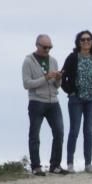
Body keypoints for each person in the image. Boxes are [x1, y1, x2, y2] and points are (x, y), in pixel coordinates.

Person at [22, 34, 67, 176]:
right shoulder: (28, 61)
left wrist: (58, 79)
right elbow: (26, 84)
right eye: (45, 47)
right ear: (37, 45)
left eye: (50, 47)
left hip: (53, 101)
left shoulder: (53, 60)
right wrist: (45, 78)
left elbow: (57, 85)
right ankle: (36, 166)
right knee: (35, 134)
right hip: (36, 101)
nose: (47, 50)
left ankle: (55, 165)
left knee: (59, 132)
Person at [61, 30, 92, 173]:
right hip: (76, 99)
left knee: (88, 131)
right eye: (83, 40)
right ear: (78, 42)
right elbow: (63, 76)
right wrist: (70, 91)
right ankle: (70, 163)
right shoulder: (73, 57)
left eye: (89, 39)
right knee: (74, 130)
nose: (86, 42)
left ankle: (88, 164)